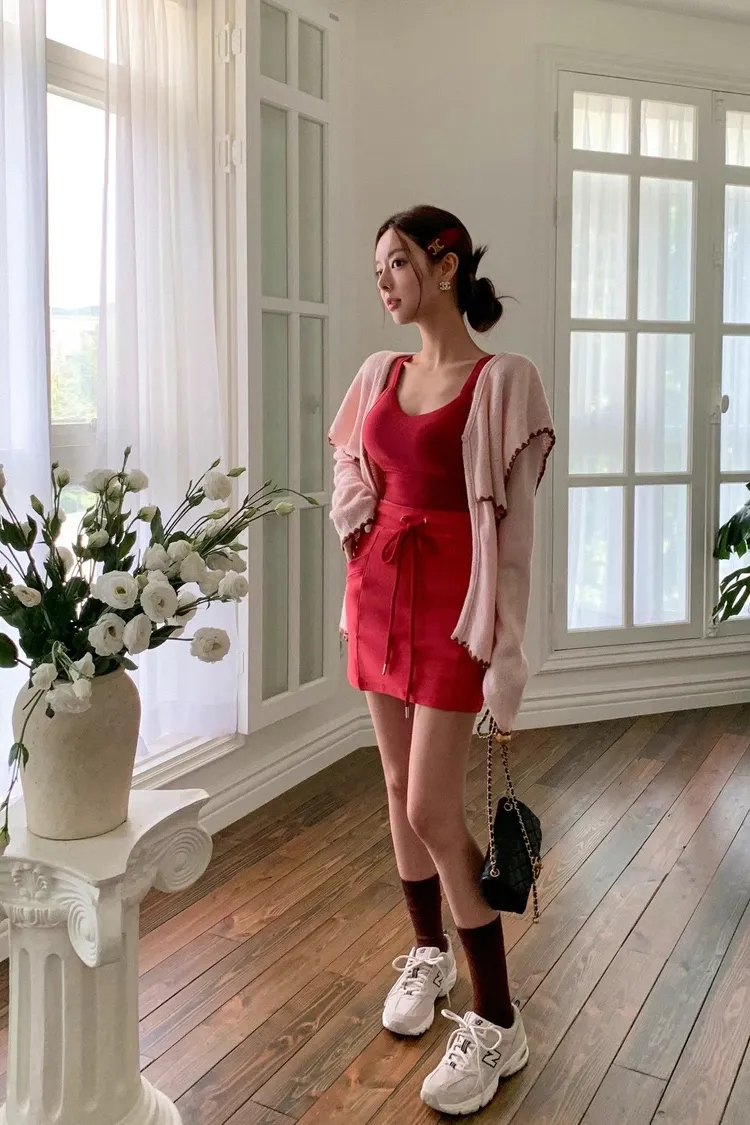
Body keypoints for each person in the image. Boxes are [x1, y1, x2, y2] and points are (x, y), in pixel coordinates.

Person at [327, 204, 554, 1116]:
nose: (383, 281)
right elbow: (350, 459)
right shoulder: (378, 372)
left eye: (397, 262)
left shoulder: (504, 381)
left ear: (446, 263)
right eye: (377, 268)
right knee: (395, 785)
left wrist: (507, 649)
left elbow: (516, 536)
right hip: (379, 592)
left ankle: (499, 1016)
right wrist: (356, 516)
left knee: (430, 804)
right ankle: (428, 955)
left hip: (455, 612)